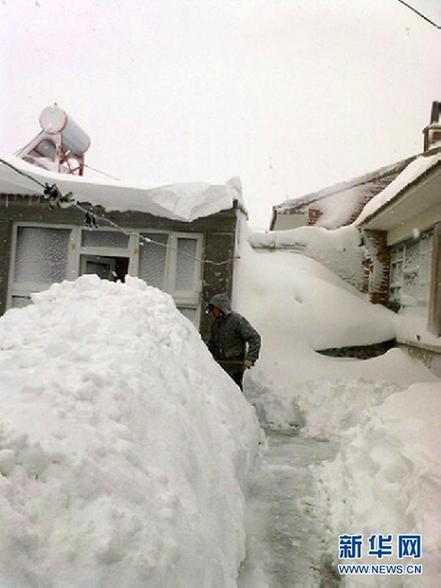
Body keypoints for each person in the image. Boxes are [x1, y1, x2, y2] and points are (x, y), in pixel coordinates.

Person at [207, 293, 261, 390]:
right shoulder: (216, 324)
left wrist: (251, 358)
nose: (212, 312)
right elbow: (212, 344)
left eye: (213, 309)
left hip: (235, 367)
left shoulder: (237, 321)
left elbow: (254, 338)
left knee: (234, 394)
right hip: (220, 367)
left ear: (221, 308)